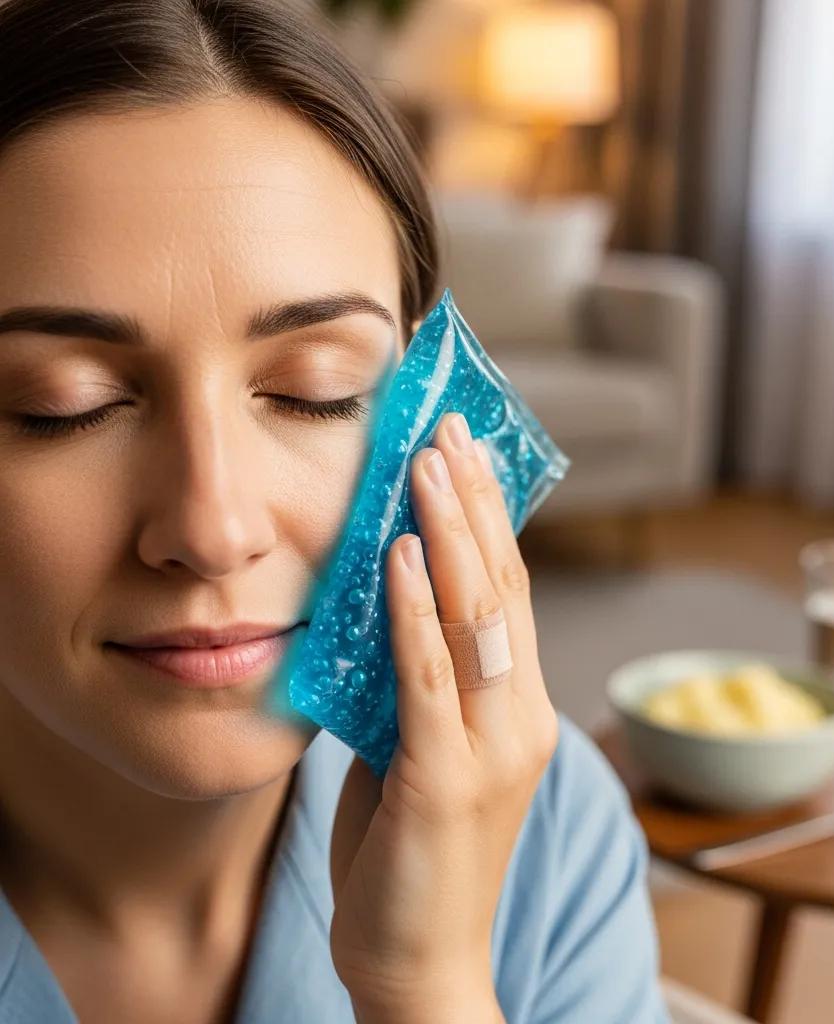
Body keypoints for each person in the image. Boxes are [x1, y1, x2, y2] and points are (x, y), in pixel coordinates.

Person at [0, 2, 669, 1021]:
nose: (215, 528)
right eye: (66, 405)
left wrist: (428, 985)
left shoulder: (548, 831)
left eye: (317, 390)